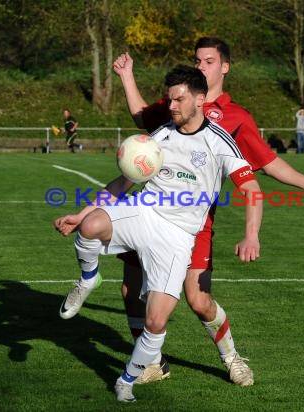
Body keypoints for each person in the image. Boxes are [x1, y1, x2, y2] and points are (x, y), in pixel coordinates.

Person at [56, 37, 304, 387]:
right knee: (131, 291)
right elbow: (144, 122)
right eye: (197, 59)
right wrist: (127, 76)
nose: (201, 65)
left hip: (193, 224)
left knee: (198, 299)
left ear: (224, 67)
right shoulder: (178, 102)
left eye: (208, 60)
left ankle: (232, 357)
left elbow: (266, 163)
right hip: (150, 212)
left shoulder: (234, 119)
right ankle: (153, 362)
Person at [58, 65, 263, 402]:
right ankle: (88, 279)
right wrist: (80, 213)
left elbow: (252, 188)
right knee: (91, 225)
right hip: (145, 213)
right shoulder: (160, 137)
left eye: (178, 100)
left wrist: (251, 234)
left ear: (199, 100)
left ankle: (222, 359)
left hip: (179, 234)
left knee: (165, 317)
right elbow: (124, 183)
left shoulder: (218, 141)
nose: (171, 106)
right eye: (170, 99)